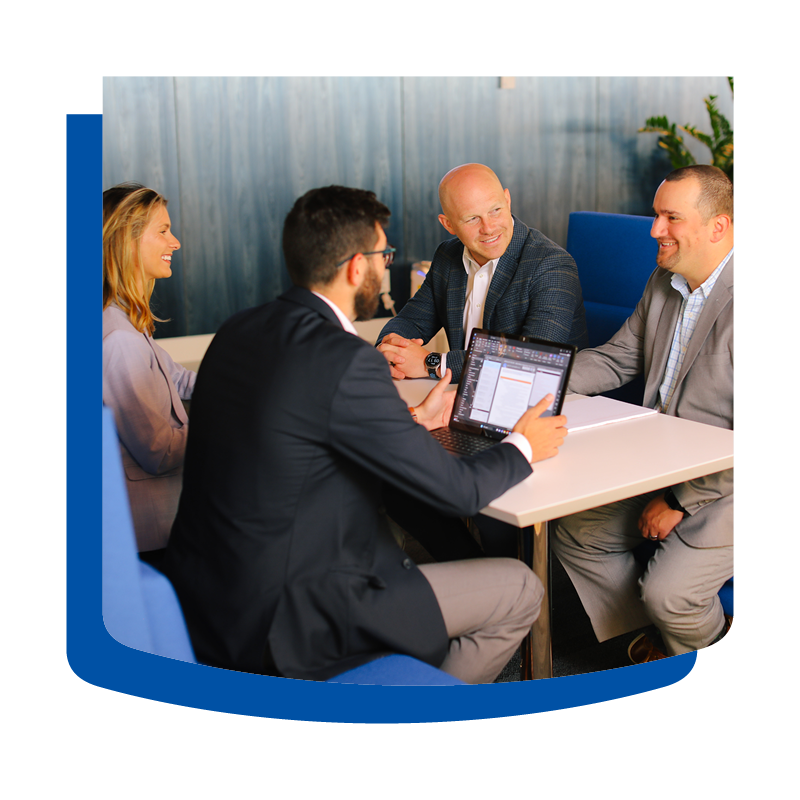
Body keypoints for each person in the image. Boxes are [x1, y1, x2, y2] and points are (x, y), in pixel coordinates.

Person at [164, 185, 569, 683]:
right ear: (357, 267)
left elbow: (299, 429)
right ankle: (415, 712)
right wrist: (524, 444)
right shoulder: (344, 358)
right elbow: (459, 491)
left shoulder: (238, 330)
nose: (386, 267)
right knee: (521, 588)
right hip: (294, 617)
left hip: (209, 595)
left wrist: (412, 421)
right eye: (384, 255)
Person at [551, 165, 734, 663]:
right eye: (655, 215)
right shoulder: (664, 279)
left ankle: (715, 661)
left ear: (718, 227)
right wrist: (535, 383)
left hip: (732, 485)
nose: (654, 230)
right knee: (576, 534)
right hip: (663, 464)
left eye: (670, 217)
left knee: (671, 595)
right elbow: (616, 359)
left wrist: (680, 499)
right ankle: (652, 645)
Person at [375, 163, 587, 384]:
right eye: (472, 219)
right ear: (448, 224)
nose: (489, 227)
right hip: (468, 396)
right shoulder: (448, 256)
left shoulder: (551, 264)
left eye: (495, 210)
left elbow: (533, 359)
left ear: (507, 199)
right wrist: (389, 350)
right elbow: (412, 321)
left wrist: (433, 363)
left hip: (547, 403)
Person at [103, 182, 196, 556]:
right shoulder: (120, 341)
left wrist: (253, 382)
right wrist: (229, 420)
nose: (175, 243)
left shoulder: (130, 324)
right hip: (152, 539)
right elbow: (158, 452)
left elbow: (181, 380)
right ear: (127, 242)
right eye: (163, 231)